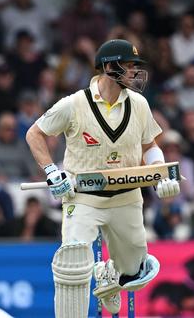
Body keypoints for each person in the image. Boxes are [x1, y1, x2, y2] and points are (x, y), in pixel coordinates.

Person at [26, 39, 179, 316]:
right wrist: (51, 171)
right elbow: (34, 133)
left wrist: (160, 174)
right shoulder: (74, 104)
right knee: (72, 259)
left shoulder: (140, 104)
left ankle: (111, 274)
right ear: (109, 66)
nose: (135, 72)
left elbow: (150, 146)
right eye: (129, 66)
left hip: (127, 197)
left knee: (134, 274)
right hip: (83, 197)